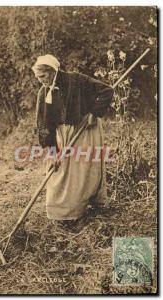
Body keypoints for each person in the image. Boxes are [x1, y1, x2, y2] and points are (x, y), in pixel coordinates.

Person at [32, 54, 113, 221]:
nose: (41, 80)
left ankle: (80, 210)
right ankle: (60, 213)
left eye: (43, 76)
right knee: (57, 171)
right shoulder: (43, 92)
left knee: (82, 173)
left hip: (84, 131)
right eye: (38, 77)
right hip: (61, 136)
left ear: (53, 71)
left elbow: (107, 90)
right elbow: (44, 124)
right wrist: (52, 150)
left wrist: (94, 113)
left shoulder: (76, 80)